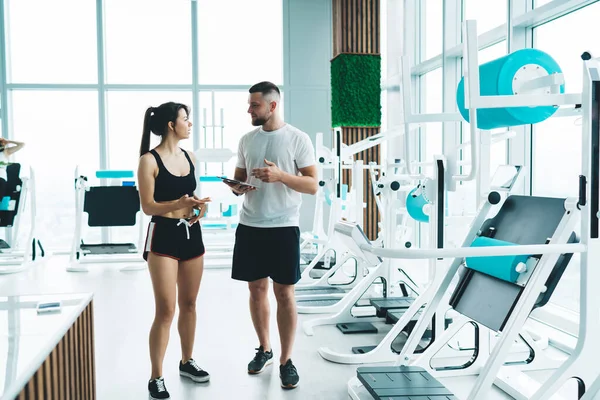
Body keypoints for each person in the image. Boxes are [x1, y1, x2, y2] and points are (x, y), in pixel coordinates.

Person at [225, 81, 318, 389]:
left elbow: (312, 185)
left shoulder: (297, 139)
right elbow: (239, 179)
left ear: (272, 106)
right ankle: (264, 348)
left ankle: (286, 360)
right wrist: (236, 186)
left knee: (284, 294)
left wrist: (280, 176)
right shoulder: (246, 140)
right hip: (250, 226)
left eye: (254, 105)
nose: (249, 110)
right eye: (249, 105)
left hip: (283, 227)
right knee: (256, 291)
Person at [137, 102, 211, 400]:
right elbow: (147, 207)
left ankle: (187, 361)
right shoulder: (148, 161)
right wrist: (178, 205)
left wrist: (199, 207)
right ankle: (156, 376)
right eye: (186, 119)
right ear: (171, 124)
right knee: (166, 310)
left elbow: (191, 197)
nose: (189, 124)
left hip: (192, 234)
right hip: (163, 237)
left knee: (190, 304)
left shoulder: (190, 157)